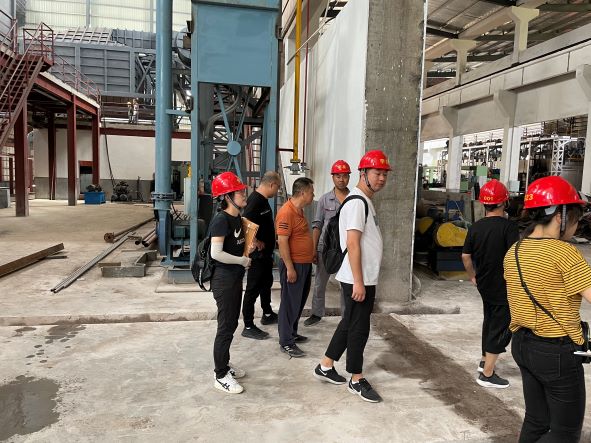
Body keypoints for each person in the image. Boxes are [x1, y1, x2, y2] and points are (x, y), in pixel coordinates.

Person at [504, 176, 591, 442]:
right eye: (575, 219)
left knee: (536, 421)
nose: (576, 226)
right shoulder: (564, 253)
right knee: (565, 433)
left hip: (522, 344)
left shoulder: (515, 250)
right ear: (560, 216)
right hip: (556, 352)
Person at [313, 150, 390, 403]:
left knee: (349, 322)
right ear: (363, 173)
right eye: (377, 173)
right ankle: (356, 379)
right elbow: (353, 243)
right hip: (358, 278)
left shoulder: (363, 200)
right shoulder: (357, 202)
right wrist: (358, 281)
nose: (381, 178)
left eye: (384, 174)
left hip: (362, 276)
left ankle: (325, 365)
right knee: (359, 328)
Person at [461, 179, 519, 389]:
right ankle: (487, 373)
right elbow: (515, 257)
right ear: (504, 202)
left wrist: (472, 276)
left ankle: (485, 359)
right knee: (502, 326)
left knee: (490, 320)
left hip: (484, 284)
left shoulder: (475, 227)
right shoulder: (509, 227)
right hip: (504, 285)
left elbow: (466, 256)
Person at [209, 171, 254, 394]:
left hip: (235, 278)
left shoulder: (237, 218)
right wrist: (241, 260)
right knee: (225, 326)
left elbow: (233, 245)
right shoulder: (221, 220)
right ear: (227, 197)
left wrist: (247, 249)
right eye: (239, 192)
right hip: (224, 280)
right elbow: (216, 253)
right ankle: (220, 375)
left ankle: (224, 365)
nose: (244, 194)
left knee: (232, 324)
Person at [304, 160, 351, 326]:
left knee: (346, 285)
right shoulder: (324, 199)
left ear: (348, 177)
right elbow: (317, 225)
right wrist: (314, 249)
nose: (341, 179)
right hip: (325, 248)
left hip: (347, 249)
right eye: (338, 176)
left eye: (344, 176)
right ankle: (316, 313)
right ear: (333, 177)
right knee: (319, 283)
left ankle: (346, 318)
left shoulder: (353, 198)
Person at [276, 177, 315, 358]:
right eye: (311, 192)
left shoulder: (299, 211)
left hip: (304, 264)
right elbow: (282, 242)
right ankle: (286, 342)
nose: (313, 195)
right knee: (289, 303)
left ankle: (291, 332)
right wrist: (290, 268)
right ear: (302, 193)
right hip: (294, 265)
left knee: (298, 302)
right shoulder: (286, 212)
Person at [241, 171, 282, 340]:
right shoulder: (255, 200)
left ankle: (267, 313)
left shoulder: (263, 200)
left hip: (266, 254)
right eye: (278, 187)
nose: (278, 191)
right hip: (258, 255)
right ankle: (248, 325)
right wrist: (256, 241)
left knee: (266, 284)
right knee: (253, 288)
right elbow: (244, 222)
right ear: (271, 184)